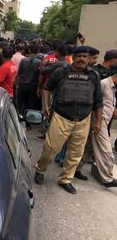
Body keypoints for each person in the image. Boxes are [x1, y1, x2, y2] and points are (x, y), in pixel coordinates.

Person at [34, 46, 103, 194]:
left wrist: (98, 121)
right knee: (51, 148)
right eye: (78, 56)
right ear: (73, 57)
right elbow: (47, 88)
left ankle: (66, 179)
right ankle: (40, 169)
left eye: (85, 56)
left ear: (89, 58)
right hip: (61, 116)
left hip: (83, 119)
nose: (81, 59)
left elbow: (98, 100)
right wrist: (46, 106)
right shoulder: (61, 72)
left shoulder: (94, 75)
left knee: (76, 152)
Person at [90, 73, 117, 187]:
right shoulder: (104, 83)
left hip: (105, 121)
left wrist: (113, 107)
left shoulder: (112, 87)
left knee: (88, 148)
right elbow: (95, 102)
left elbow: (106, 101)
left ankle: (77, 169)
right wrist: (97, 122)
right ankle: (107, 179)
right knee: (107, 151)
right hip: (99, 122)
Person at [16, 44, 42, 114]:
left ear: (29, 50)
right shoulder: (39, 62)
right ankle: (29, 119)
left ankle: (18, 116)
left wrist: (17, 85)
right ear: (38, 51)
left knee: (20, 103)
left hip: (22, 85)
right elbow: (40, 76)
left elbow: (19, 74)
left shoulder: (23, 60)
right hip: (33, 86)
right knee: (31, 104)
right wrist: (39, 88)